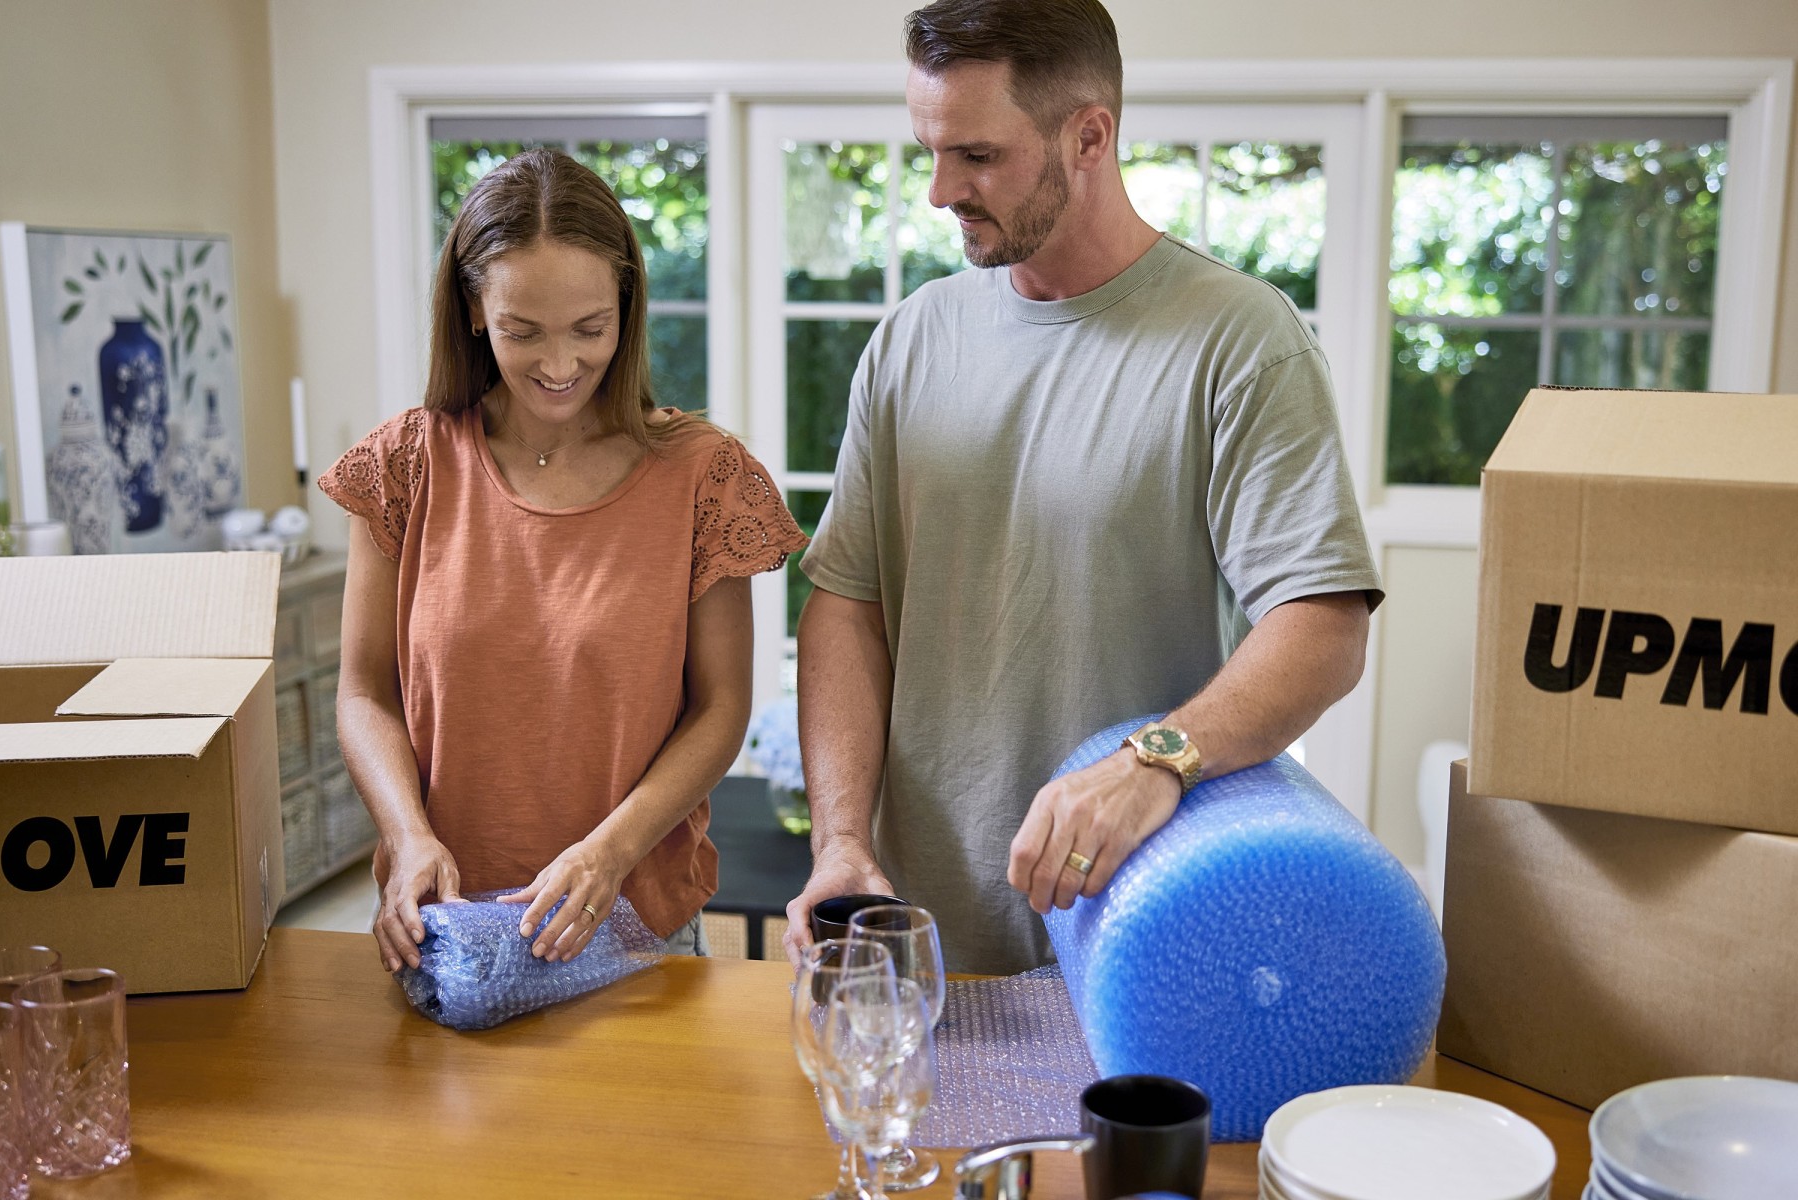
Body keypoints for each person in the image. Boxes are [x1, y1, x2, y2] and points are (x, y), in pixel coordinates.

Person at [784, 0, 1383, 976]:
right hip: (917, 933)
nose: (940, 190)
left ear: (1089, 135)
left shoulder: (1240, 339)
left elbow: (1321, 625)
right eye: (929, 150)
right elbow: (847, 603)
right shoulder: (912, 340)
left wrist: (1158, 759)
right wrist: (841, 838)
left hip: (1139, 929)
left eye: (975, 154)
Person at [320, 148, 807, 975]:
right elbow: (365, 693)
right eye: (523, 332)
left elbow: (721, 710)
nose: (559, 365)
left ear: (626, 306)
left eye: (590, 329)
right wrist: (406, 838)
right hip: (446, 924)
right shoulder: (404, 465)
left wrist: (609, 854)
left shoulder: (704, 475)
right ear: (474, 311)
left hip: (632, 922)